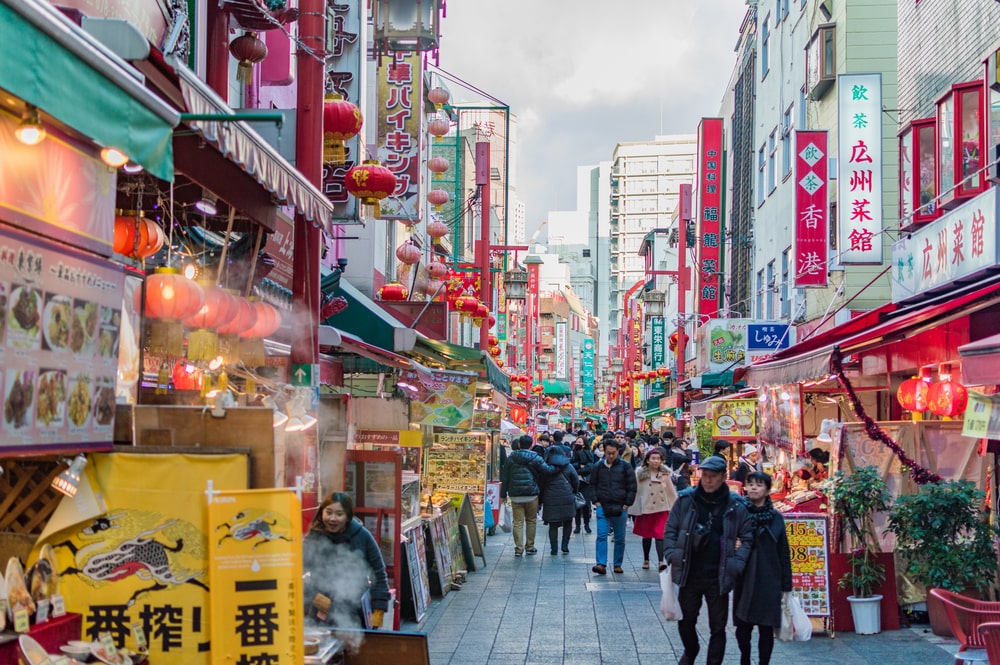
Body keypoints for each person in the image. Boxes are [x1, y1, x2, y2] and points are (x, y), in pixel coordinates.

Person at [663, 455, 754, 665]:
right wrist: (672, 554)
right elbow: (671, 529)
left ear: (724, 476)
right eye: (705, 475)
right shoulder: (687, 500)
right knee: (685, 622)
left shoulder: (736, 505)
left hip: (719, 575)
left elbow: (748, 538)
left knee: (718, 626)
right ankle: (691, 649)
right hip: (690, 571)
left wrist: (736, 563)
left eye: (713, 476)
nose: (708, 480)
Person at [303, 492, 390, 630]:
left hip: (355, 611)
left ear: (348, 516)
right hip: (321, 613)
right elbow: (295, 574)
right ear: (321, 512)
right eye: (329, 512)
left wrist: (378, 610)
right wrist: (314, 596)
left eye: (339, 514)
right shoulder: (314, 537)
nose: (332, 518)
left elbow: (378, 572)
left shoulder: (362, 536)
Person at [734, 471, 793, 665]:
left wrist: (786, 584)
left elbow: (783, 551)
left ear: (767, 490)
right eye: (750, 484)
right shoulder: (738, 512)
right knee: (742, 627)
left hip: (769, 578)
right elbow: (724, 540)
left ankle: (763, 663)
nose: (753, 488)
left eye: (758, 485)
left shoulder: (776, 518)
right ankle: (745, 658)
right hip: (744, 577)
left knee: (766, 627)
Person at [500, 434, 557, 556]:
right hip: (532, 493)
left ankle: (518, 549)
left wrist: (503, 493)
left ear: (519, 445)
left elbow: (505, 476)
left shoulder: (511, 458)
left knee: (518, 522)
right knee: (531, 520)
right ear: (531, 445)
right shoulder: (535, 457)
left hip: (515, 494)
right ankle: (530, 547)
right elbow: (547, 470)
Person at [591, 438, 637, 575]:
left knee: (619, 537)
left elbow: (632, 486)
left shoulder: (625, 466)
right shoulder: (598, 467)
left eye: (613, 453)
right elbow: (592, 484)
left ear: (618, 452)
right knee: (601, 535)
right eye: (608, 453)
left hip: (620, 506)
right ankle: (601, 564)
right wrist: (596, 501)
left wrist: (626, 504)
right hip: (602, 505)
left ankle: (617, 563)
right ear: (603, 451)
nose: (611, 456)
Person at [628, 447, 678, 571]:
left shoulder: (666, 474)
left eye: (658, 459)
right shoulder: (640, 474)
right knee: (647, 535)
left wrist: (676, 508)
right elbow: (637, 492)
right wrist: (632, 507)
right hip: (646, 508)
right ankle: (646, 559)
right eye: (653, 458)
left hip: (662, 509)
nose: (656, 461)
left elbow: (671, 492)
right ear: (648, 460)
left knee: (660, 535)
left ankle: (661, 561)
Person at [540, 444, 580, 555]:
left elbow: (541, 484)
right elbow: (576, 481)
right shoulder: (569, 466)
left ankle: (554, 548)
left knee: (553, 525)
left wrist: (542, 499)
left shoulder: (546, 468)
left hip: (550, 499)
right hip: (567, 497)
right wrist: (573, 492)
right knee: (567, 522)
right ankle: (565, 545)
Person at [571, 435, 596, 533]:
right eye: (577, 442)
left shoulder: (589, 453)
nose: (578, 444)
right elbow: (571, 465)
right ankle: (577, 526)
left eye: (580, 442)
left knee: (585, 504)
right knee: (577, 504)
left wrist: (580, 470)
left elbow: (590, 467)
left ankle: (586, 524)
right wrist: (579, 466)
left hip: (586, 482)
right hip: (576, 482)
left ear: (585, 444)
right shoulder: (573, 453)